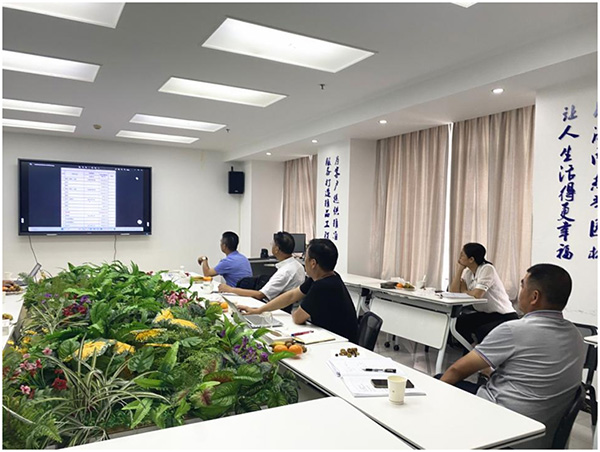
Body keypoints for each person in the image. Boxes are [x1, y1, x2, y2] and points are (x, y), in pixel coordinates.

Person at [440, 263, 585, 449]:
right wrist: (491, 373)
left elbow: (456, 370)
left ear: (534, 297)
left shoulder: (514, 330)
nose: (520, 291)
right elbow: (532, 376)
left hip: (501, 424)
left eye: (523, 285)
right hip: (541, 434)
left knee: (440, 381)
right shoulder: (576, 335)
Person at [237, 238, 359, 343]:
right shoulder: (326, 277)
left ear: (313, 263)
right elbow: (292, 295)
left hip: (340, 343)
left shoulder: (323, 285)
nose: (303, 261)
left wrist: (298, 310)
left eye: (305, 258)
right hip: (331, 336)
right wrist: (259, 310)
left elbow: (298, 318)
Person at [449, 242, 518, 343]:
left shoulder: (487, 269)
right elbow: (453, 293)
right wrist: (459, 271)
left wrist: (464, 291)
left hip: (504, 315)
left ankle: (477, 350)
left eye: (462, 255)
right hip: (486, 314)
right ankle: (471, 348)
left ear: (471, 259)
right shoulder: (468, 272)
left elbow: (477, 294)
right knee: (457, 323)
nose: (459, 258)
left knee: (482, 331)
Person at [218, 231, 305, 301]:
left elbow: (260, 295)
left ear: (276, 249)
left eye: (273, 244)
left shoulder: (285, 272)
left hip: (278, 307)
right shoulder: (298, 265)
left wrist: (230, 289)